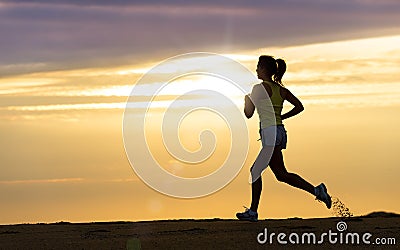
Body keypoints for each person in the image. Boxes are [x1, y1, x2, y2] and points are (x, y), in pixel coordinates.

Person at [236, 55, 331, 222]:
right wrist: (282, 117)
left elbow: (248, 114)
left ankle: (253, 212)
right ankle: (317, 191)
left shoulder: (258, 89)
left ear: (264, 69)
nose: (256, 69)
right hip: (279, 131)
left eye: (258, 66)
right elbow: (299, 106)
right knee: (281, 174)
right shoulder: (281, 90)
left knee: (255, 171)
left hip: (270, 133)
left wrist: (246, 100)